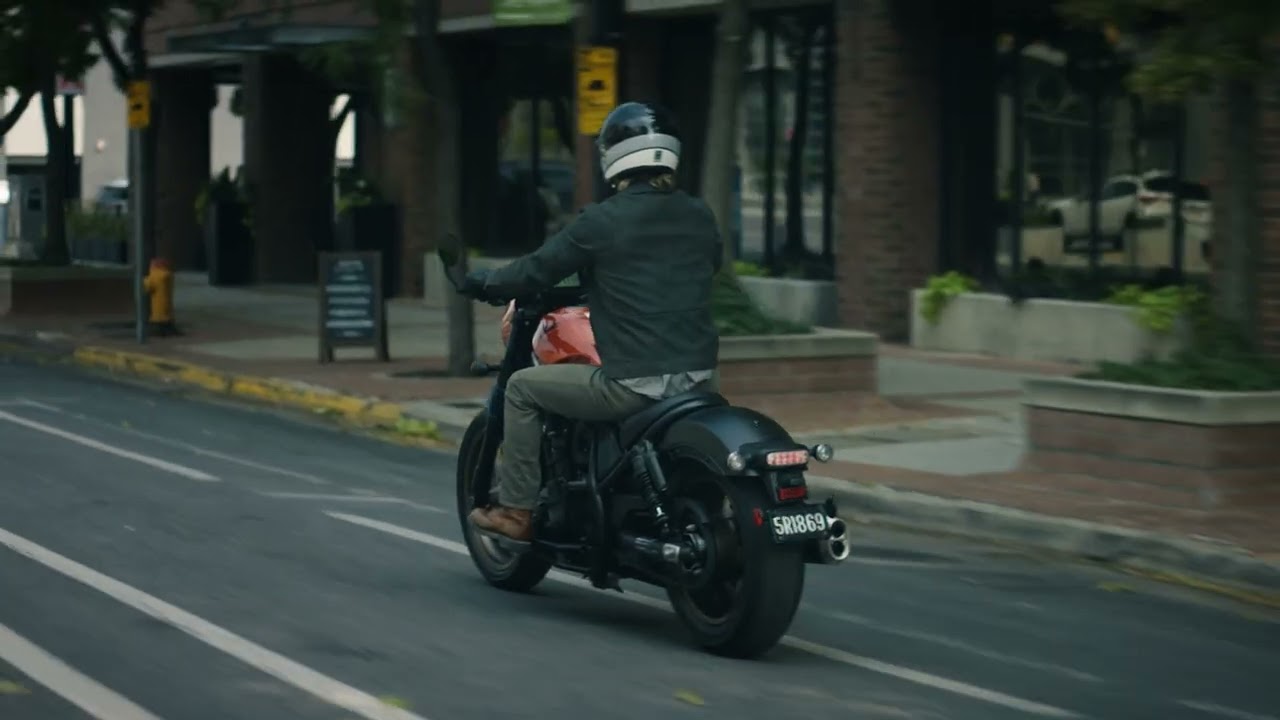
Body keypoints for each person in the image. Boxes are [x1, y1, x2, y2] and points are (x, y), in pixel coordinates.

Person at [464, 101, 722, 542]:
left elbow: (538, 269)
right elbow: (709, 265)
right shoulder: (698, 213)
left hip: (633, 386)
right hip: (701, 378)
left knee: (522, 388)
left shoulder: (602, 220)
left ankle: (516, 512)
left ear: (614, 155)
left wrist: (486, 281)